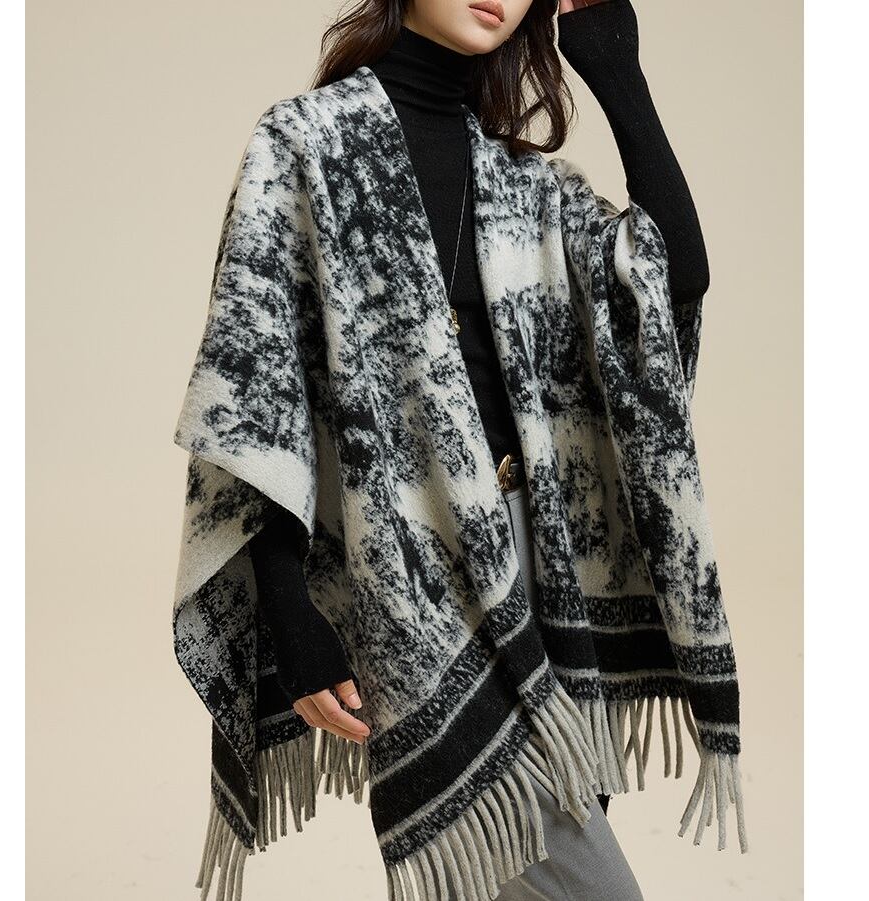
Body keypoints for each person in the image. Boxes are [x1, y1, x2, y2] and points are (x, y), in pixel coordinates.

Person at [244, 0, 708, 897]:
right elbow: (254, 393)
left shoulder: (523, 186)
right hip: (414, 574)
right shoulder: (305, 144)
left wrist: (613, 64)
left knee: (499, 874)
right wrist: (289, 611)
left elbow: (671, 282)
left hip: (548, 565)